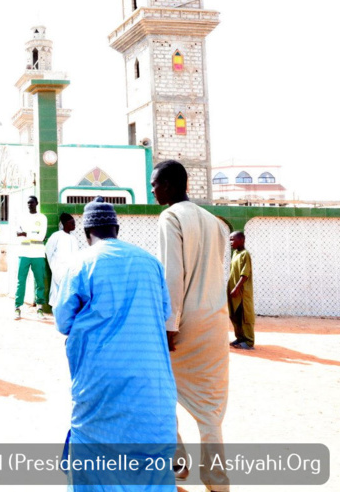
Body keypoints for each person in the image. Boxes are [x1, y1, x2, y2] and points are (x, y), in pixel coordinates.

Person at [55, 199, 177, 490]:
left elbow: (63, 322)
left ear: (87, 232)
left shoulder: (81, 264)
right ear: (117, 228)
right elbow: (164, 313)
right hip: (152, 383)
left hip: (101, 382)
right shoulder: (151, 263)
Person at [151, 159, 230, 491]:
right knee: (210, 405)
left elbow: (173, 275)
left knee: (163, 392)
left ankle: (178, 460)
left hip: (184, 324)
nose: (152, 189)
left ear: (169, 185)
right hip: (215, 322)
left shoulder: (170, 217)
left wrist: (170, 325)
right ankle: (217, 479)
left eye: (155, 184)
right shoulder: (216, 222)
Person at [14, 195, 48, 319]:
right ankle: (17, 308)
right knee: (20, 281)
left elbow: (42, 236)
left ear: (37, 203)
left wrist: (26, 233)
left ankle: (39, 309)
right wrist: (33, 234)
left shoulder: (42, 218)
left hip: (38, 253)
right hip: (23, 252)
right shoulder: (22, 217)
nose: (30, 205)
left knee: (39, 281)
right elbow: (18, 233)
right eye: (28, 203)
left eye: (32, 203)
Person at [228, 231, 255, 350]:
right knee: (235, 315)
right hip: (233, 291)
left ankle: (248, 342)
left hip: (242, 292)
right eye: (230, 240)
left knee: (245, 316)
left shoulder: (245, 254)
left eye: (232, 239)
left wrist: (236, 288)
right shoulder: (235, 254)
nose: (230, 242)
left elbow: (245, 274)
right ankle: (240, 337)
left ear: (242, 240)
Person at [45, 212, 78, 308]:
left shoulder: (73, 238)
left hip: (71, 269)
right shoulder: (57, 235)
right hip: (59, 268)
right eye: (72, 223)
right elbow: (48, 250)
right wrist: (54, 266)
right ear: (66, 223)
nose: (74, 225)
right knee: (58, 291)